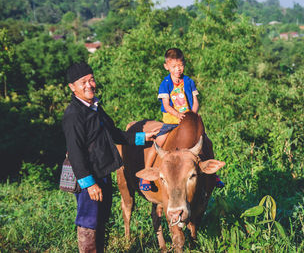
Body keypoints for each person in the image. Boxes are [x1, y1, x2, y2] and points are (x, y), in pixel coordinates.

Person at [62, 62, 160, 252]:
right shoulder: (74, 114)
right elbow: (75, 152)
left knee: (101, 219)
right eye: (83, 82)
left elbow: (114, 134)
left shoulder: (95, 108)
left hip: (104, 171)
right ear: (72, 88)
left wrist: (142, 137)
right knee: (88, 222)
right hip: (89, 177)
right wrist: (89, 184)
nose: (89, 85)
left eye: (91, 79)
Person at [140, 48, 224, 191]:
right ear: (167, 66)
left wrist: (192, 114)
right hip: (172, 121)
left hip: (188, 121)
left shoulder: (188, 81)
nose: (178, 69)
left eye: (180, 65)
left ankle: (213, 175)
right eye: (174, 66)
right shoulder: (165, 84)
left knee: (207, 142)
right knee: (158, 142)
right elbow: (166, 105)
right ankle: (146, 174)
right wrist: (178, 115)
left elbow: (196, 101)